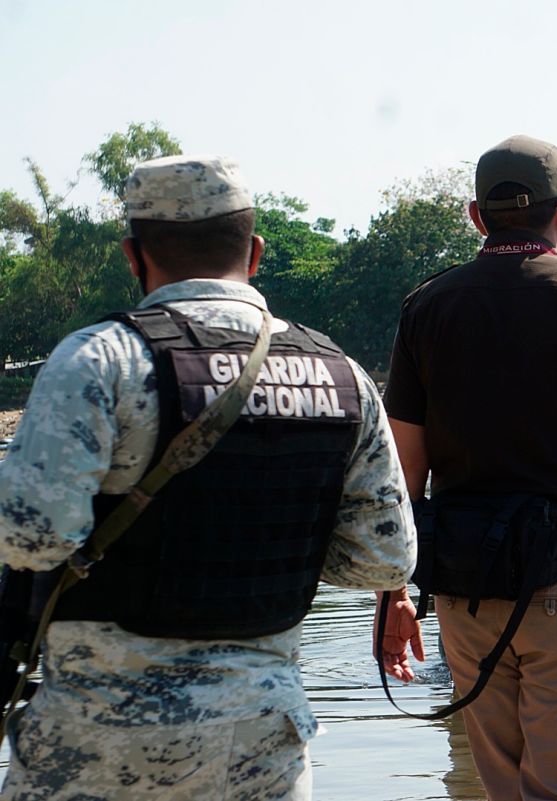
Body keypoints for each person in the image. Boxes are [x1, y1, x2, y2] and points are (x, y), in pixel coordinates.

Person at [0, 155, 416, 799]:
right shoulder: (342, 377)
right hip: (260, 746)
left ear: (133, 256)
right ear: (254, 253)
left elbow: (32, 540)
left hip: (97, 742)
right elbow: (386, 562)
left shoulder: (100, 360)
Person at [379, 135, 557, 801]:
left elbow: (402, 470)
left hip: (464, 593)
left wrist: (392, 591)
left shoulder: (425, 306)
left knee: (503, 787)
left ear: (477, 215)